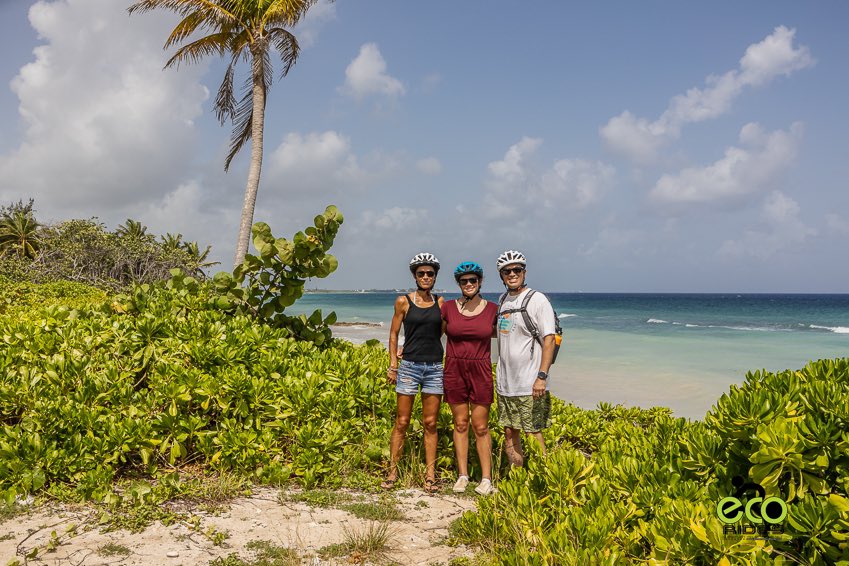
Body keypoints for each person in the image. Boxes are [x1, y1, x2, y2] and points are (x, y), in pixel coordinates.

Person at [384, 252, 444, 493]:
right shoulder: (403, 302)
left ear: (435, 276)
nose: (426, 277)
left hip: (434, 367)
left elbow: (440, 332)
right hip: (408, 366)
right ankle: (392, 471)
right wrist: (393, 364)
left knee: (430, 423)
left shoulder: (441, 303)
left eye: (430, 273)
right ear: (414, 276)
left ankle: (430, 475)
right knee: (402, 422)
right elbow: (393, 334)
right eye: (421, 273)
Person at [494, 250, 557, 468]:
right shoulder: (503, 300)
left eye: (516, 270)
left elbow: (549, 339)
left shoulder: (537, 299)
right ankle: (517, 479)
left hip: (530, 383)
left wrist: (542, 377)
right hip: (505, 384)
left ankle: (542, 477)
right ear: (501, 276)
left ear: (524, 272)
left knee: (533, 431)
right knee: (510, 432)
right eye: (506, 271)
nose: (512, 274)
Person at [441, 262, 498, 496]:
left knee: (481, 426)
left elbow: (507, 335)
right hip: (454, 367)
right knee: (461, 423)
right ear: (459, 284)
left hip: (481, 368)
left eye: (472, 280)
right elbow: (435, 333)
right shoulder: (449, 308)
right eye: (464, 281)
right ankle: (463, 475)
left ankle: (486, 479)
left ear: (480, 282)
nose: (468, 284)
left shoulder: (494, 309)